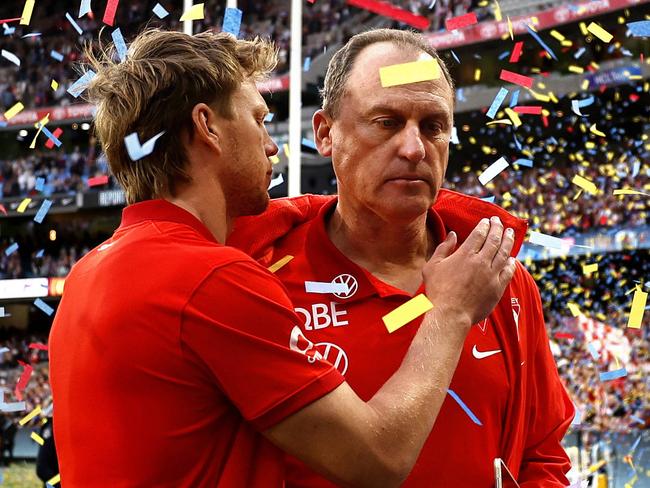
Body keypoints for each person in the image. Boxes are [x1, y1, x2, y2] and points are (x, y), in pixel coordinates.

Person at [49, 29, 517, 487]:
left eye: (433, 126)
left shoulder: (91, 271)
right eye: (258, 119)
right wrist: (450, 312)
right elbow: (378, 457)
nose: (271, 144)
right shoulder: (215, 279)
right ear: (207, 127)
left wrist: (333, 206)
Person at [228, 28, 575, 487]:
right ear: (326, 134)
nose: (414, 149)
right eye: (387, 122)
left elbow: (542, 456)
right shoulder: (254, 277)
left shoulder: (501, 278)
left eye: (433, 126)